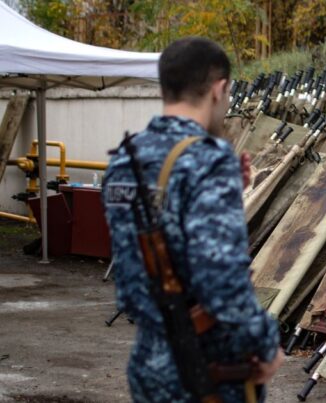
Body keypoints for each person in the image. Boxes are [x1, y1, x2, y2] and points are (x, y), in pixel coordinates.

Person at [102, 37, 283, 402]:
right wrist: (264, 344)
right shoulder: (208, 160)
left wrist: (231, 187)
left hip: (150, 361)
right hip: (206, 368)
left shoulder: (125, 159)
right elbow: (219, 276)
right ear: (219, 89)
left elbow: (161, 229)